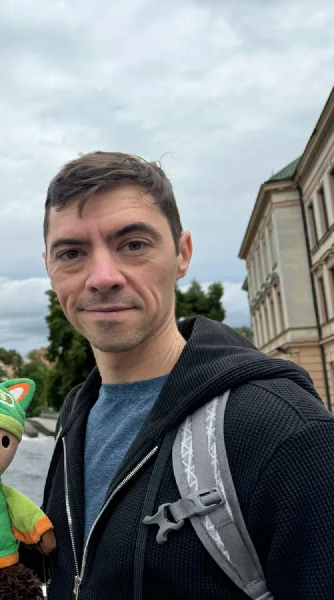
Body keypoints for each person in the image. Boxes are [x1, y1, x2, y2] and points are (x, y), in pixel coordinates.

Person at [18, 151, 334, 599]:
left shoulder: (284, 429)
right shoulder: (77, 416)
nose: (102, 277)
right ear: (50, 269)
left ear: (182, 255)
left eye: (134, 245)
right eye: (72, 252)